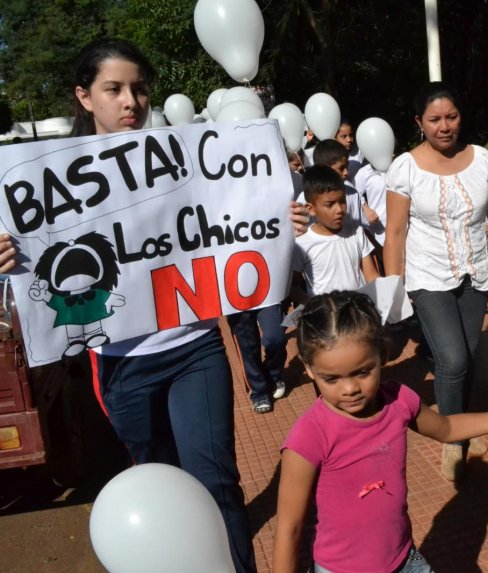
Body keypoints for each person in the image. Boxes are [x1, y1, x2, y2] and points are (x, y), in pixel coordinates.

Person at [60, 38, 309, 573]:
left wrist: (280, 226)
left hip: (195, 348)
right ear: (85, 97)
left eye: (139, 88)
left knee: (217, 482)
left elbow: (238, 222)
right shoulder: (53, 182)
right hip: (123, 365)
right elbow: (44, 273)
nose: (131, 101)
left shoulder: (188, 161)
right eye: (114, 89)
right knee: (161, 485)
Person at [272, 290, 488, 573]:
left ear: (382, 355)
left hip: (403, 558)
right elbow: (289, 528)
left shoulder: (398, 399)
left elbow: (446, 428)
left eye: (362, 372)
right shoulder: (308, 437)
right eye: (331, 378)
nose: (350, 389)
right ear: (309, 369)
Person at [384, 81, 488, 481]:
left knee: (470, 354)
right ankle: (451, 439)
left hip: (475, 274)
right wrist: (394, 289)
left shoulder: (481, 160)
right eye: (434, 119)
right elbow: (395, 232)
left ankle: (462, 422)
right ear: (419, 123)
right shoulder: (405, 168)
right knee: (452, 358)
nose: (444, 126)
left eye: (451, 117)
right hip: (428, 276)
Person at [290, 165, 378, 302]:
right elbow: (293, 286)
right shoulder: (301, 244)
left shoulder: (357, 232)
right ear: (311, 209)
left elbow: (372, 276)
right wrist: (314, 307)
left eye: (342, 201)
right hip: (327, 320)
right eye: (330, 204)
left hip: (359, 314)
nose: (339, 209)